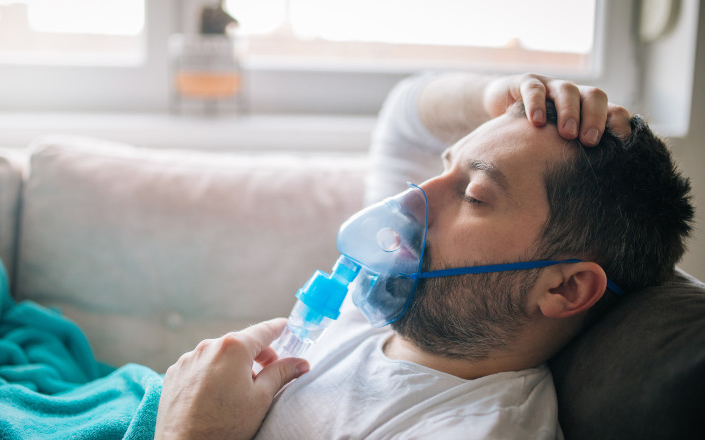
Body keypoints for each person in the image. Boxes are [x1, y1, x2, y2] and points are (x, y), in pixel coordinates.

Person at [154, 72, 694, 439]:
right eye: (444, 166)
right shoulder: (383, 306)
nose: (413, 200)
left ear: (564, 288)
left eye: (475, 195)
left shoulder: (470, 428)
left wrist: (190, 432)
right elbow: (405, 116)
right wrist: (499, 94)